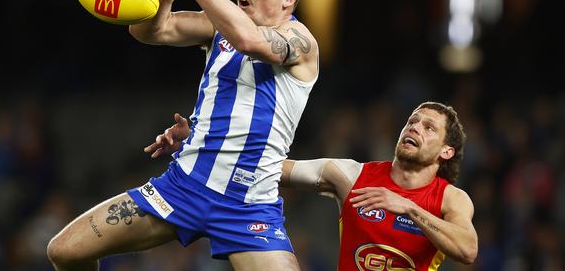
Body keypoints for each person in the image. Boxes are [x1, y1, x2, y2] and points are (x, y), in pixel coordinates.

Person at [47, 0, 318, 271]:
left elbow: (250, 41)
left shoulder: (301, 42)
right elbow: (147, 30)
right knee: (64, 251)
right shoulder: (218, 27)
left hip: (247, 205)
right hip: (182, 189)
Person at [148, 102, 478, 270]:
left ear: (446, 151)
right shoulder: (350, 175)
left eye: (429, 127)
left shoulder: (451, 199)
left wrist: (408, 206)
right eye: (412, 121)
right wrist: (197, 143)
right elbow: (272, 168)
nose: (415, 128)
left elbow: (467, 250)